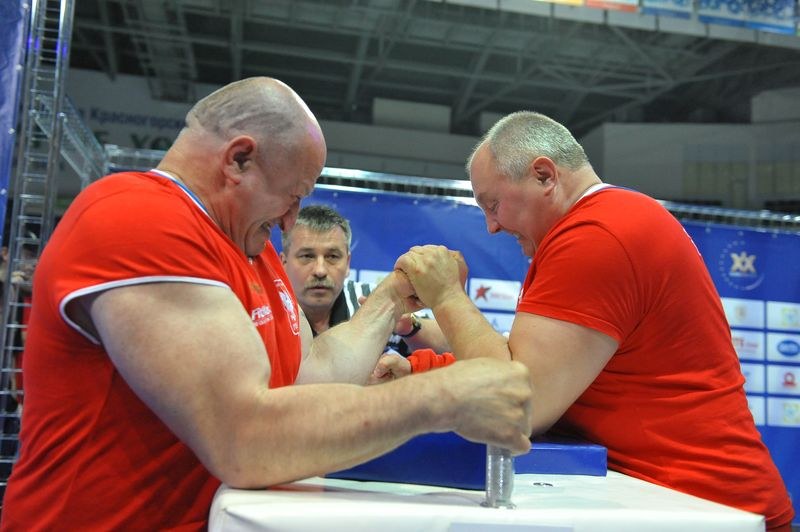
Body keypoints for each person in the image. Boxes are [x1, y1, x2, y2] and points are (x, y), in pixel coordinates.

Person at [0, 78, 533, 530]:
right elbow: (242, 437)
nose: (289, 219)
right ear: (239, 159)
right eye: (293, 195)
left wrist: (391, 298)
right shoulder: (137, 219)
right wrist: (439, 397)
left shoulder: (248, 247)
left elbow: (309, 375)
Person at [390, 111, 794, 531]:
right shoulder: (606, 221)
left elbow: (520, 405)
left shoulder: (597, 236)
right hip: (684, 502)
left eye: (493, 205)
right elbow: (534, 365)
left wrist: (448, 296)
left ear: (545, 175)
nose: (491, 226)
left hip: (708, 508)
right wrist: (419, 367)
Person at [280, 204, 450, 355]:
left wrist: (409, 326)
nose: (320, 270)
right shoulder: (265, 309)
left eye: (332, 256)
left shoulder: (369, 299)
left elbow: (453, 346)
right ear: (283, 263)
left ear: (347, 263)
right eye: (307, 256)